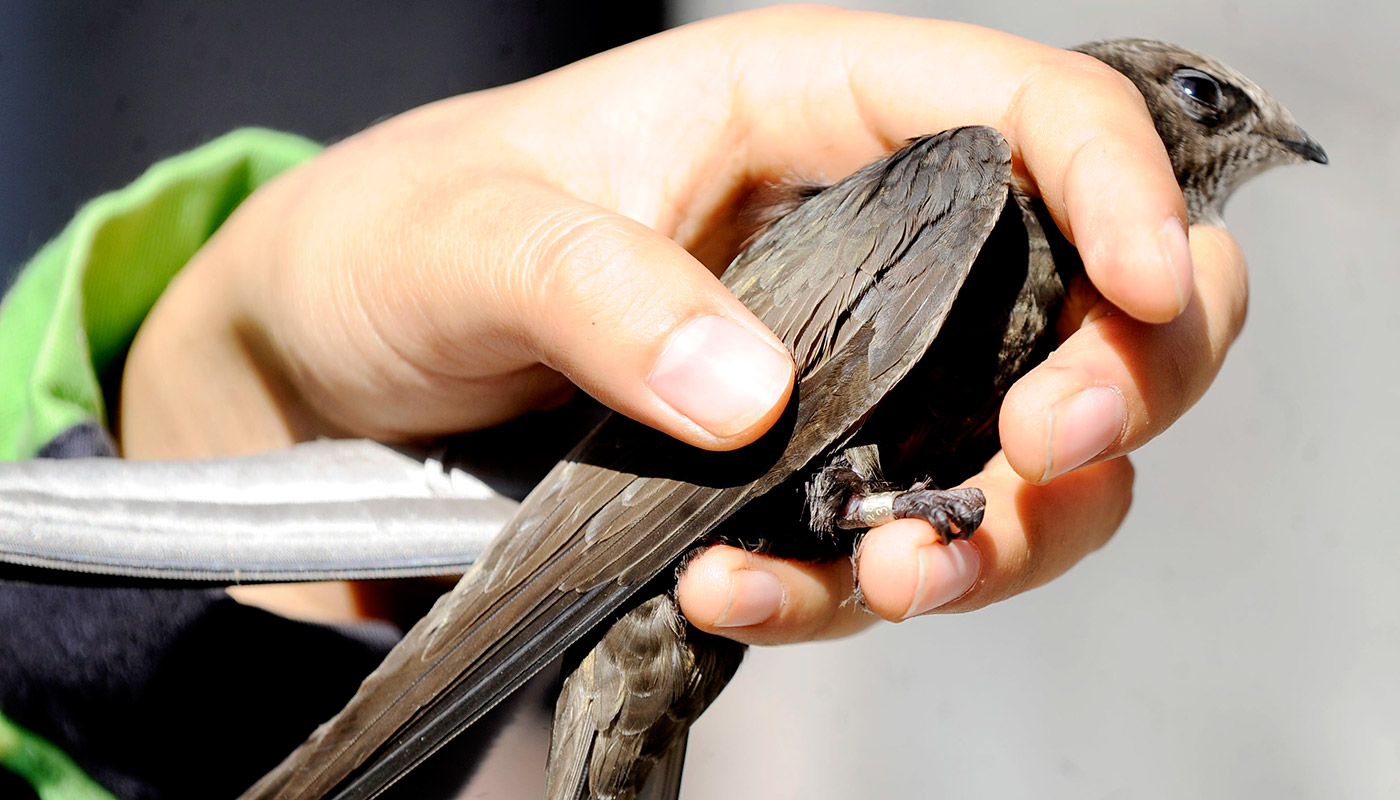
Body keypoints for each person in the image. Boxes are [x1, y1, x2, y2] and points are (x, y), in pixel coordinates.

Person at [1, 7, 1248, 796]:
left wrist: (227, 388)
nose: (1240, 145)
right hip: (624, 536)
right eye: (1207, 105)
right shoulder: (965, 186)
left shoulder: (1049, 291)